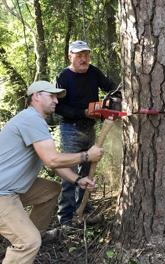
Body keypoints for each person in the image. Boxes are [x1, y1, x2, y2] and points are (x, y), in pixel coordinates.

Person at [0, 81, 104, 264]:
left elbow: (53, 164)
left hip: (11, 189)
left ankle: (35, 231)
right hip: (3, 194)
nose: (56, 101)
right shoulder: (31, 119)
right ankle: (30, 239)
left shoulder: (34, 120)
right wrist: (87, 155)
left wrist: (78, 180)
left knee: (51, 190)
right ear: (36, 96)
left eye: (57, 97)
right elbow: (53, 159)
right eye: (52, 96)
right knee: (28, 243)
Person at [55, 40, 119, 227]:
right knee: (69, 172)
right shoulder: (63, 77)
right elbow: (58, 107)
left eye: (86, 55)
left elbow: (109, 85)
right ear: (70, 57)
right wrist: (81, 113)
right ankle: (66, 217)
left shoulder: (93, 71)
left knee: (88, 170)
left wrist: (120, 92)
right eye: (79, 55)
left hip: (90, 128)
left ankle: (82, 205)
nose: (84, 59)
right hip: (70, 129)